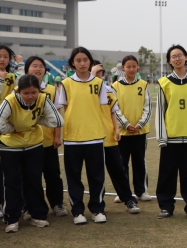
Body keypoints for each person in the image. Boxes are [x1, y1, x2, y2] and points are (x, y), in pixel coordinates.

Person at [0, 74, 63, 233]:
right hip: (10, 146)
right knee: (12, 182)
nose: (30, 96)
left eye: (34, 92)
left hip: (33, 145)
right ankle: (12, 218)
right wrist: (15, 127)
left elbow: (57, 120)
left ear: (39, 90)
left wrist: (36, 121)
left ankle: (37, 215)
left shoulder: (43, 98)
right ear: (19, 91)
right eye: (26, 93)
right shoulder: (10, 100)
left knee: (34, 181)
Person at [54, 47, 109, 225]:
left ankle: (97, 209)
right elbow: (62, 108)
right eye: (78, 60)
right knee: (73, 177)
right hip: (73, 138)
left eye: (85, 59)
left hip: (95, 136)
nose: (82, 63)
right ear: (73, 63)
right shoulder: (66, 83)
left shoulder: (99, 83)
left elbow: (102, 107)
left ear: (90, 61)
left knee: (96, 176)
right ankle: (77, 211)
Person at [155, 45, 187, 219]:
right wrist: (162, 137)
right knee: (166, 174)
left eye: (179, 55)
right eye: (173, 56)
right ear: (169, 61)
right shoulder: (164, 83)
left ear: (185, 57)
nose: (177, 59)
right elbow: (160, 111)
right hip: (170, 138)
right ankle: (166, 206)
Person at [91, 62, 140, 214]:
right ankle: (97, 205)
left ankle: (128, 199)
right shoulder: (85, 88)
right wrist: (92, 75)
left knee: (118, 170)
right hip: (92, 137)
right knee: (95, 173)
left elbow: (113, 111)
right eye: (96, 71)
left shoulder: (108, 89)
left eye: (101, 71)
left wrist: (116, 129)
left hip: (109, 136)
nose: (99, 73)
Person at [23, 56, 68, 218]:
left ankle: (57, 204)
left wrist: (57, 136)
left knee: (53, 175)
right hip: (28, 141)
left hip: (48, 141)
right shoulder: (20, 89)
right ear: (27, 69)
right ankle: (30, 207)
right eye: (34, 66)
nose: (38, 69)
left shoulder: (51, 90)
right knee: (31, 177)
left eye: (41, 66)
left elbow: (57, 115)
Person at [0, 45, 24, 219]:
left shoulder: (12, 77)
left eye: (6, 57)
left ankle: (15, 203)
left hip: (10, 131)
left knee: (13, 171)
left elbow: (24, 89)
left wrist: (20, 65)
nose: (2, 59)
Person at [112, 55, 153, 202]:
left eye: (134, 66)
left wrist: (140, 124)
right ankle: (123, 192)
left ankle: (141, 191)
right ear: (123, 68)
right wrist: (126, 124)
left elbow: (148, 107)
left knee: (139, 162)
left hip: (140, 132)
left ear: (137, 68)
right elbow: (114, 108)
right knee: (122, 164)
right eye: (128, 66)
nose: (131, 69)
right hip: (122, 133)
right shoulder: (115, 86)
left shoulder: (143, 84)